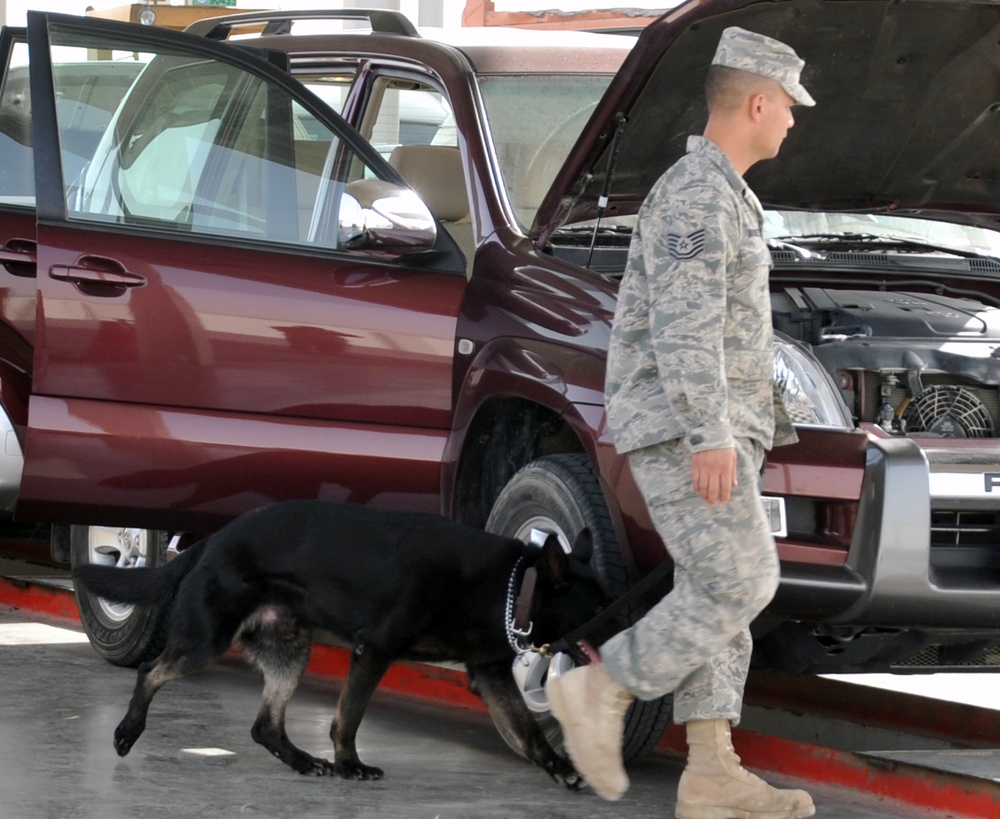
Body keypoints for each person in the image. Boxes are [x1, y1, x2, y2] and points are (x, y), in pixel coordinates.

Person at [544, 26, 816, 819]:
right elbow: (684, 327)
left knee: (714, 590)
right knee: (744, 579)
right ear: (758, 101)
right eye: (789, 107)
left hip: (714, 425)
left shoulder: (725, 191)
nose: (794, 122)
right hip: (685, 426)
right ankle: (602, 686)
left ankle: (710, 769)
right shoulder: (698, 194)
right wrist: (709, 434)